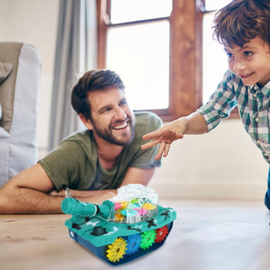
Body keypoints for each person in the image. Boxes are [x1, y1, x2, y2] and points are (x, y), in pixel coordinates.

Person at [141, 0, 270, 209]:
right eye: (230, 54)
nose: (237, 66)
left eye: (247, 53)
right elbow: (211, 112)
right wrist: (182, 123)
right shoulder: (234, 79)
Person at [0, 69, 162, 214]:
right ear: (87, 121)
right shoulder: (72, 152)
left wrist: (68, 194)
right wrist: (84, 202)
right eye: (107, 109)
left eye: (122, 103)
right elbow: (5, 198)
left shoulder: (148, 129)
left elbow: (129, 198)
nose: (121, 115)